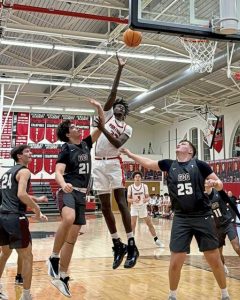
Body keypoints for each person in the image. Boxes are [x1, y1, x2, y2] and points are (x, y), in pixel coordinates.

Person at [121, 140, 231, 300]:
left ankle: (225, 295)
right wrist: (130, 155)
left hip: (202, 216)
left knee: (213, 259)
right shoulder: (169, 164)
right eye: (179, 142)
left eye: (184, 143)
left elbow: (220, 184)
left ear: (190, 151)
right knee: (175, 262)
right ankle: (172, 296)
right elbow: (149, 163)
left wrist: (216, 184)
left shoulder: (200, 165)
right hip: (181, 217)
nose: (180, 144)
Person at [47, 99, 104, 297]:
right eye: (72, 127)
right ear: (67, 134)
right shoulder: (65, 149)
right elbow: (57, 171)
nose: (76, 127)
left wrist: (98, 108)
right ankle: (53, 257)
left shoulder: (86, 144)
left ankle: (63, 276)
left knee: (71, 240)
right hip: (68, 191)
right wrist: (63, 184)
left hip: (82, 195)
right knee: (68, 219)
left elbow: (101, 126)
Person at [92, 54, 139, 270]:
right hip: (97, 163)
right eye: (116, 106)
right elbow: (112, 93)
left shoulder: (127, 128)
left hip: (113, 162)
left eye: (122, 107)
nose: (118, 107)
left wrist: (101, 129)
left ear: (125, 113)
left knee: (120, 202)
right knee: (103, 206)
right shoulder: (108, 114)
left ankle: (131, 243)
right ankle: (116, 243)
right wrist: (120, 69)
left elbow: (117, 143)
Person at [0, 144, 48, 300]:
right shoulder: (25, 171)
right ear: (19, 156)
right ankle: (26, 295)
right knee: (28, 256)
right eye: (27, 151)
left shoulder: (7, 173)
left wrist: (35, 198)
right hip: (15, 217)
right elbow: (21, 194)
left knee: (5, 253)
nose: (31, 153)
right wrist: (37, 209)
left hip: (2, 216)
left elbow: (13, 193)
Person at [205, 186, 240, 287]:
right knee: (219, 253)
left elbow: (231, 203)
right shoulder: (203, 197)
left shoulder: (218, 191)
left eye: (208, 179)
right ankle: (223, 266)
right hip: (217, 227)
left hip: (228, 223)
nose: (207, 182)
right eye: (204, 180)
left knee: (237, 247)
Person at [127, 171, 164, 248]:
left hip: (143, 207)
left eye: (139, 177)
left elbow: (148, 197)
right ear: (133, 178)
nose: (137, 178)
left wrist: (146, 200)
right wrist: (133, 200)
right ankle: (131, 242)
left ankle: (156, 240)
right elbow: (128, 199)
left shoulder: (144, 186)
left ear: (141, 178)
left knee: (149, 223)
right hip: (134, 207)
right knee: (132, 225)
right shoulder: (130, 187)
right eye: (136, 177)